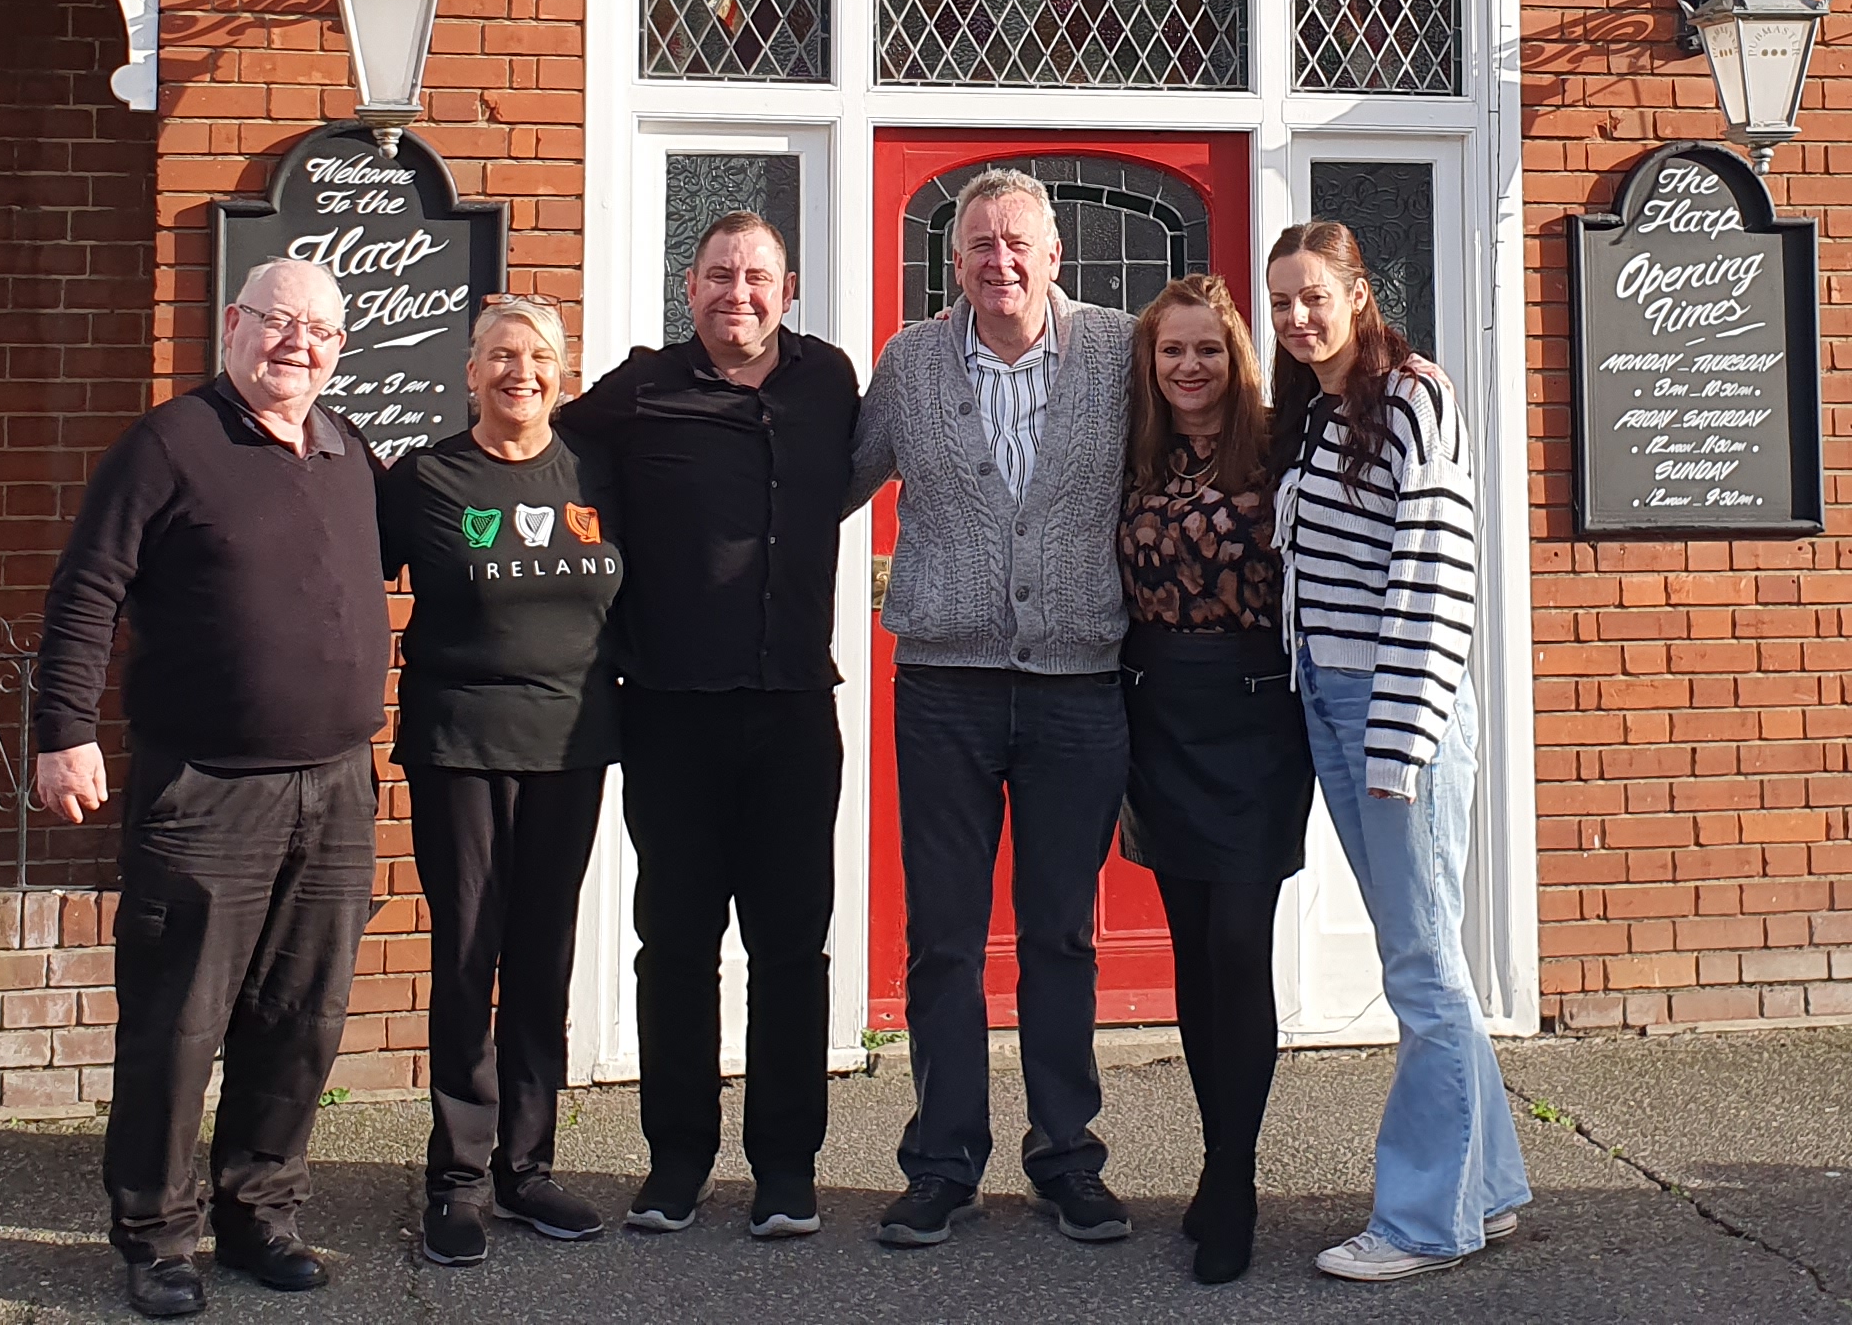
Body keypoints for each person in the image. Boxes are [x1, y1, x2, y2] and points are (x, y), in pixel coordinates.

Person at [32, 257, 384, 1318]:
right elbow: (87, 589)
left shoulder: (345, 449)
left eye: (320, 331)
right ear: (234, 324)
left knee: (300, 1017)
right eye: (279, 322)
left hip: (335, 787)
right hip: (207, 791)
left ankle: (261, 1212)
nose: (299, 345)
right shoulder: (169, 445)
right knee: (178, 1022)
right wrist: (63, 733)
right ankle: (157, 1237)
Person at [552, 211, 864, 1243]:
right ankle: (675, 1163)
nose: (741, 293)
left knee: (790, 950)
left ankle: (786, 1171)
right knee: (673, 945)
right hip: (672, 715)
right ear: (691, 288)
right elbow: (543, 462)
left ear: (790, 291)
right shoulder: (640, 391)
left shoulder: (827, 381)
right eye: (721, 275)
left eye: (760, 276)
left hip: (790, 715)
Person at [852, 167, 1140, 1250]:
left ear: (1055, 255)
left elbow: (1219, 414)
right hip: (945, 690)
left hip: (1080, 690)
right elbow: (821, 475)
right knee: (944, 938)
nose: (999, 261)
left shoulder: (1118, 353)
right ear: (955, 259)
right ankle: (943, 1160)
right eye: (979, 244)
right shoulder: (913, 363)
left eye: (1019, 243)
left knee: (1061, 933)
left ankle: (1067, 1156)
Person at [1265, 219, 1531, 1283]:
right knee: (1425, 960)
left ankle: (1426, 1223)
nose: (1296, 318)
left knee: (1422, 970)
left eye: (1315, 297)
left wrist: (1401, 740)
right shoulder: (1323, 412)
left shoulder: (1415, 396)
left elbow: (1434, 581)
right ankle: (1493, 1186)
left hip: (1393, 705)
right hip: (1329, 698)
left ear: (1360, 294)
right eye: (1282, 301)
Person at [374, 294, 626, 1268]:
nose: (521, 372)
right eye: (500, 356)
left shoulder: (596, 472)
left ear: (564, 375)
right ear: (470, 372)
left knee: (542, 955)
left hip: (571, 748)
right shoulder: (428, 480)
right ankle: (457, 1179)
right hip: (462, 749)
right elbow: (343, 581)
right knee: (468, 954)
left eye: (540, 357)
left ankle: (528, 1167)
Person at [1113, 275, 1314, 1285]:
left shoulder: (1284, 444)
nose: (1188, 367)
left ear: (1236, 356)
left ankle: (1234, 1177)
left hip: (1257, 717)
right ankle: (1215, 1155)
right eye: (1170, 351)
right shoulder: (1136, 458)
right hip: (1157, 717)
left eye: (1205, 349)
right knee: (1196, 952)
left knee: (1240, 941)